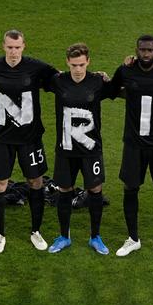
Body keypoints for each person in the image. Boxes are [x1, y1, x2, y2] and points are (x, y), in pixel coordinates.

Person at [0, 30, 58, 253]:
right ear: (3, 46)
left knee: (36, 182)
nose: (13, 52)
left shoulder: (37, 67)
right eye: (10, 47)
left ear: (24, 47)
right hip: (2, 138)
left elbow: (60, 79)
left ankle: (36, 231)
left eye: (17, 47)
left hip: (30, 138)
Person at [112, 34, 153, 259]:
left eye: (150, 50)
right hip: (134, 144)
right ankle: (133, 239)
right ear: (136, 50)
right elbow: (111, 90)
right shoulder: (125, 71)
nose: (145, 54)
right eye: (142, 50)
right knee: (130, 188)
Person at [45, 43, 111, 254]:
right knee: (64, 191)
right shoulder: (58, 80)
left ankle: (95, 237)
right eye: (74, 65)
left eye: (82, 64)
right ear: (67, 63)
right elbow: (35, 76)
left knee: (95, 190)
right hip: (65, 150)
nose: (78, 69)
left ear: (88, 62)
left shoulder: (97, 81)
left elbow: (121, 91)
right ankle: (64, 236)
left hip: (91, 150)